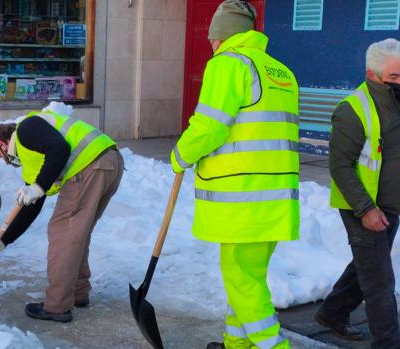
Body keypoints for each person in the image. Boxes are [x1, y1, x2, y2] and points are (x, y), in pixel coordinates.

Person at [170, 1, 300, 348]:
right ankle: (235, 343)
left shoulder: (228, 64)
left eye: (213, 37)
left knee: (241, 280)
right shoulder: (280, 71)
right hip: (274, 197)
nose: (211, 44)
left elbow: (210, 126)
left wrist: (180, 155)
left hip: (244, 198)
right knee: (248, 278)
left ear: (221, 35)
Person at [0, 109, 123, 323]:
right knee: (77, 232)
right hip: (108, 161)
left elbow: (59, 148)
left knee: (62, 234)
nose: (6, 162)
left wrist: (39, 187)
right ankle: (78, 292)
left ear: (3, 144)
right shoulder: (33, 157)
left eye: (1, 156)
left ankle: (57, 305)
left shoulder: (26, 129)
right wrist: (3, 241)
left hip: (90, 164)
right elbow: (29, 209)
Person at [314, 39, 400, 349]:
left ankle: (332, 312)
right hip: (362, 205)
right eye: (394, 78)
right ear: (372, 74)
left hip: (390, 204)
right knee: (379, 280)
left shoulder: (395, 101)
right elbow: (340, 166)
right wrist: (366, 209)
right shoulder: (352, 110)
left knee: (368, 264)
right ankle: (388, 343)